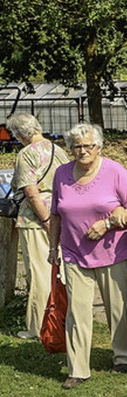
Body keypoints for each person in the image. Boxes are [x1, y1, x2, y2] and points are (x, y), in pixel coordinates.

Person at [48, 123, 127, 390]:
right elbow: (56, 213)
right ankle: (78, 369)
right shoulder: (61, 174)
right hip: (74, 252)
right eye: (77, 146)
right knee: (77, 312)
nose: (83, 151)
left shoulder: (115, 171)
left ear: (99, 146)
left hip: (113, 252)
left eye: (88, 145)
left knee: (116, 308)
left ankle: (123, 357)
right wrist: (53, 249)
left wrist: (108, 224)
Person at [6, 113, 69, 340]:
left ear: (20, 134)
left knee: (39, 273)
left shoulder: (26, 154)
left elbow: (30, 192)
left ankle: (37, 325)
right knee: (58, 270)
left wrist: (45, 221)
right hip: (60, 213)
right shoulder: (58, 150)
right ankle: (63, 317)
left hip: (36, 220)